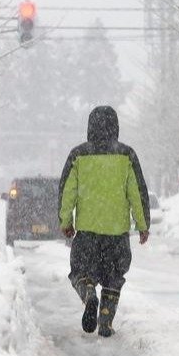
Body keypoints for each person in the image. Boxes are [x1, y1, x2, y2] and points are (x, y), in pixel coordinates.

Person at [58, 105, 150, 337]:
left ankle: (88, 293)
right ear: (116, 126)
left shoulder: (78, 155)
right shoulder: (126, 155)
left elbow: (67, 191)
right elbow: (136, 192)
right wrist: (142, 224)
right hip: (117, 234)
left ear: (90, 126)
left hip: (87, 232)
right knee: (114, 277)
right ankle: (106, 322)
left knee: (79, 271)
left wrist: (66, 221)